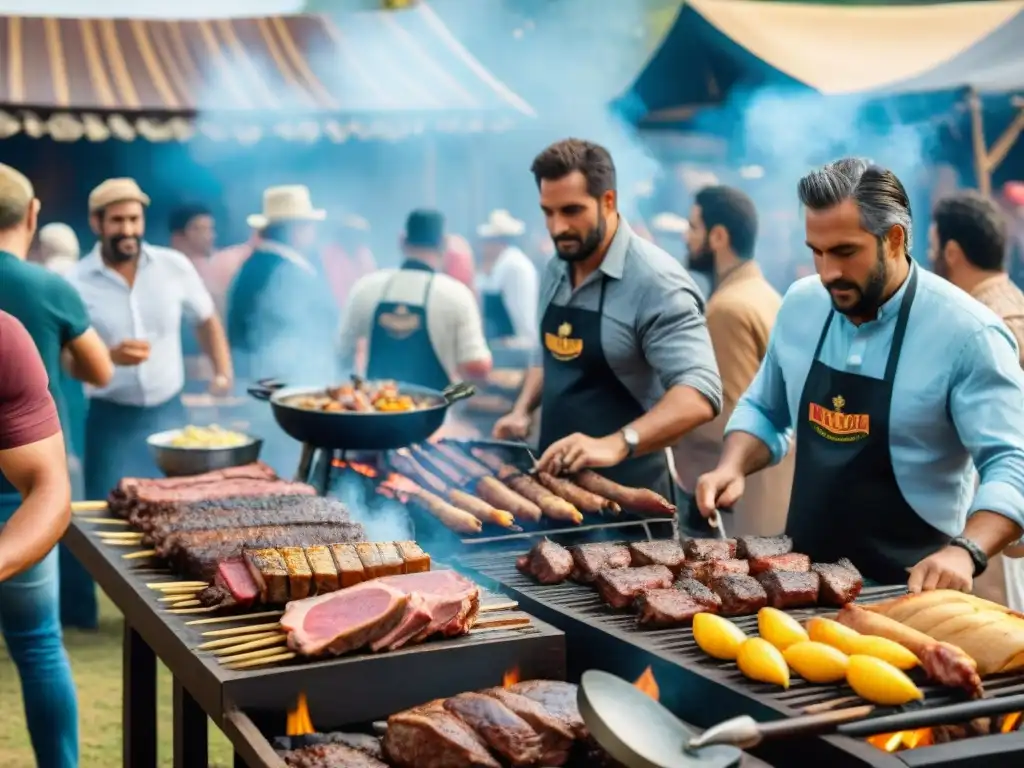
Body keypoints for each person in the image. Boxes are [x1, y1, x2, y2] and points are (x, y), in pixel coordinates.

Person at [695, 158, 1024, 591]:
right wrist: (732, 466)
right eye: (817, 251)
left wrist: (967, 551)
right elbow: (765, 408)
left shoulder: (969, 333)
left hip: (912, 591)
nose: (828, 272)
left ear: (894, 239)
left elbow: (1011, 462)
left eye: (846, 252)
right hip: (801, 582)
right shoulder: (800, 305)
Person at [493, 139, 721, 502]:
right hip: (555, 492)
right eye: (548, 212)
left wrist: (617, 443)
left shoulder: (657, 282)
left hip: (631, 501)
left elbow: (700, 393)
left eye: (571, 211)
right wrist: (522, 410)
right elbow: (547, 355)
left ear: (609, 201)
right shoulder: (556, 267)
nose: (557, 228)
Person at [67, 178, 232, 624]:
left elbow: (206, 319)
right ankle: (92, 612)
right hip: (109, 414)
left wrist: (222, 370)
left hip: (168, 412)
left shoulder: (174, 266)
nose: (127, 229)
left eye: (134, 219)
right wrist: (108, 357)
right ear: (96, 223)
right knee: (103, 516)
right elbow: (67, 360)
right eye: (117, 219)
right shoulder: (75, 281)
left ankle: (174, 606)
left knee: (176, 511)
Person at [0, 166, 114, 633]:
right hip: (32, 450)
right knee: (41, 643)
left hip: (31, 453)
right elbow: (100, 370)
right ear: (31, 215)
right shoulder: (50, 288)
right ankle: (80, 615)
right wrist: (62, 359)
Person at [676, 186, 793, 536]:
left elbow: (726, 417)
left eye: (693, 227)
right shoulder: (766, 295)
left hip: (740, 504)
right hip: (771, 493)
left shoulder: (727, 309)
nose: (686, 237)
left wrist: (664, 425)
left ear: (719, 236)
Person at [929, 191, 1024, 607]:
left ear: (951, 251)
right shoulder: (1012, 302)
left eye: (931, 247)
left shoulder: (984, 325)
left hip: (994, 523)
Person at [339, 209, 492, 390]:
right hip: (435, 413)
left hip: (375, 410)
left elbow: (342, 354)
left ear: (402, 240)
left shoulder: (366, 287)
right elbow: (477, 366)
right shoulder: (456, 294)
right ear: (443, 244)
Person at [475, 209, 539, 355]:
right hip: (500, 344)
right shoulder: (500, 264)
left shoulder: (514, 267)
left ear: (499, 241)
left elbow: (521, 310)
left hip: (515, 346)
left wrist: (522, 340)